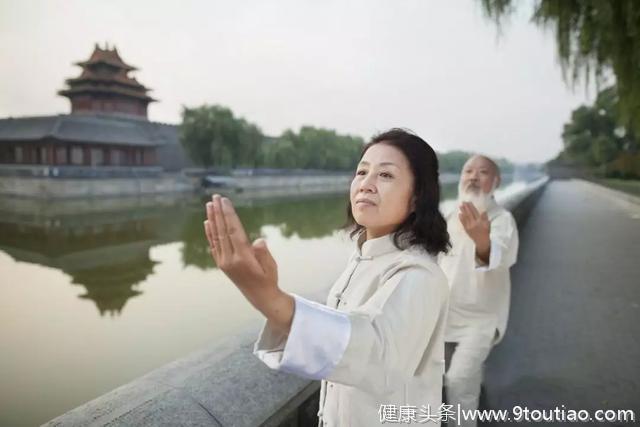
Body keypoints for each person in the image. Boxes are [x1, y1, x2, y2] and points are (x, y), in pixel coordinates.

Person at [203, 128, 451, 426]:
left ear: (416, 198)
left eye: (385, 175)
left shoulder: (419, 275)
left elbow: (376, 353)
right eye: (361, 172)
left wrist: (270, 299)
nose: (366, 185)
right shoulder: (364, 256)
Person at [438, 155, 519, 427]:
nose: (473, 176)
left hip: (480, 321)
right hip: (445, 315)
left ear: (495, 182)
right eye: (468, 171)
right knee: (445, 378)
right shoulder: (451, 215)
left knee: (459, 381)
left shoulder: (502, 219)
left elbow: (501, 255)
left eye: (482, 172)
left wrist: (482, 242)